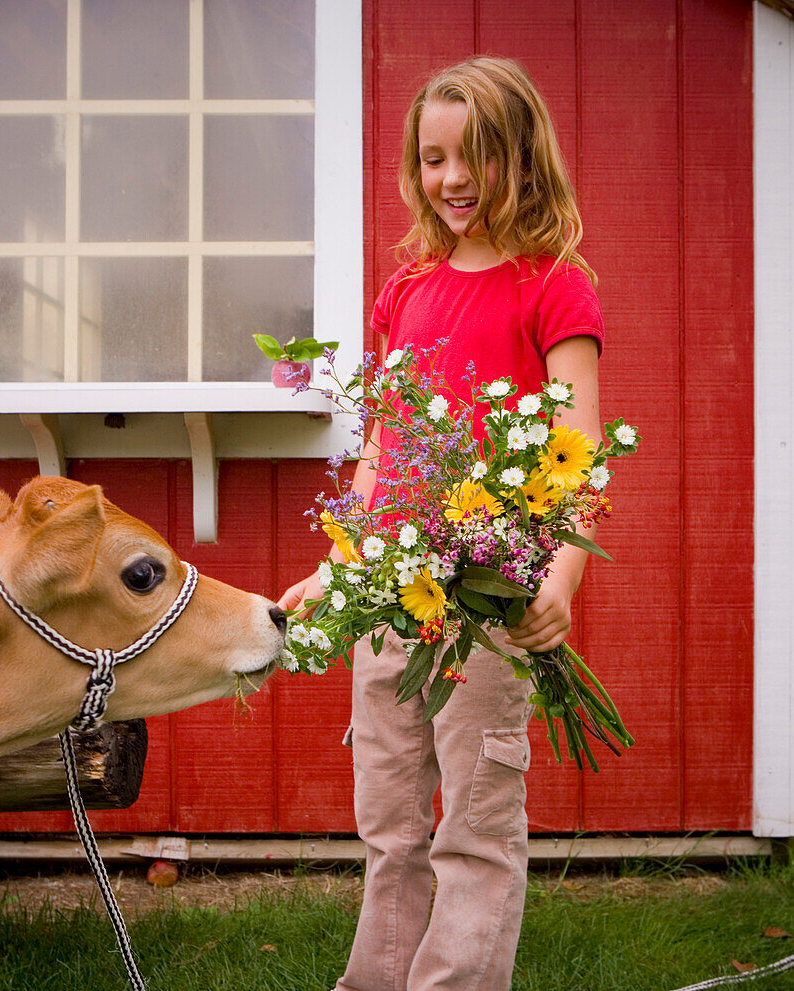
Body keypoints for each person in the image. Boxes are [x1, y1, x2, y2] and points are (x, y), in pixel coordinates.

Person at [278, 56, 605, 991]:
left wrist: (557, 584)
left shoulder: (554, 286)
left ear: (524, 157)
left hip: (489, 600)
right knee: (389, 823)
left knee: (475, 821)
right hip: (392, 594)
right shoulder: (407, 290)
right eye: (433, 160)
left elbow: (580, 451)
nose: (453, 180)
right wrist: (339, 566)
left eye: (477, 158)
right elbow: (384, 448)